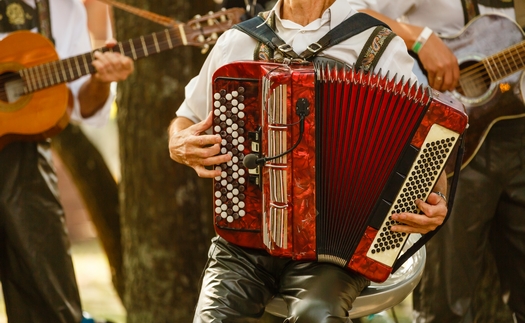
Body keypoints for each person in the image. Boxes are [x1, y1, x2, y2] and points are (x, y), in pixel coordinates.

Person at [168, 0, 450, 321]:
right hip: (245, 239)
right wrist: (178, 141)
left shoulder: (375, 43)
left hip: (337, 252)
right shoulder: (239, 41)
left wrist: (436, 196)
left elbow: (419, 139)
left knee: (316, 314)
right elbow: (187, 117)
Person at [346, 0, 525, 322]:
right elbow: (349, 13)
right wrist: (420, 37)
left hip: (519, 134)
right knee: (445, 305)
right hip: (449, 146)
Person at [0, 0, 134, 322]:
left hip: (22, 159)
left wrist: (103, 79)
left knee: (48, 302)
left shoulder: (63, 9)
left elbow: (80, 106)